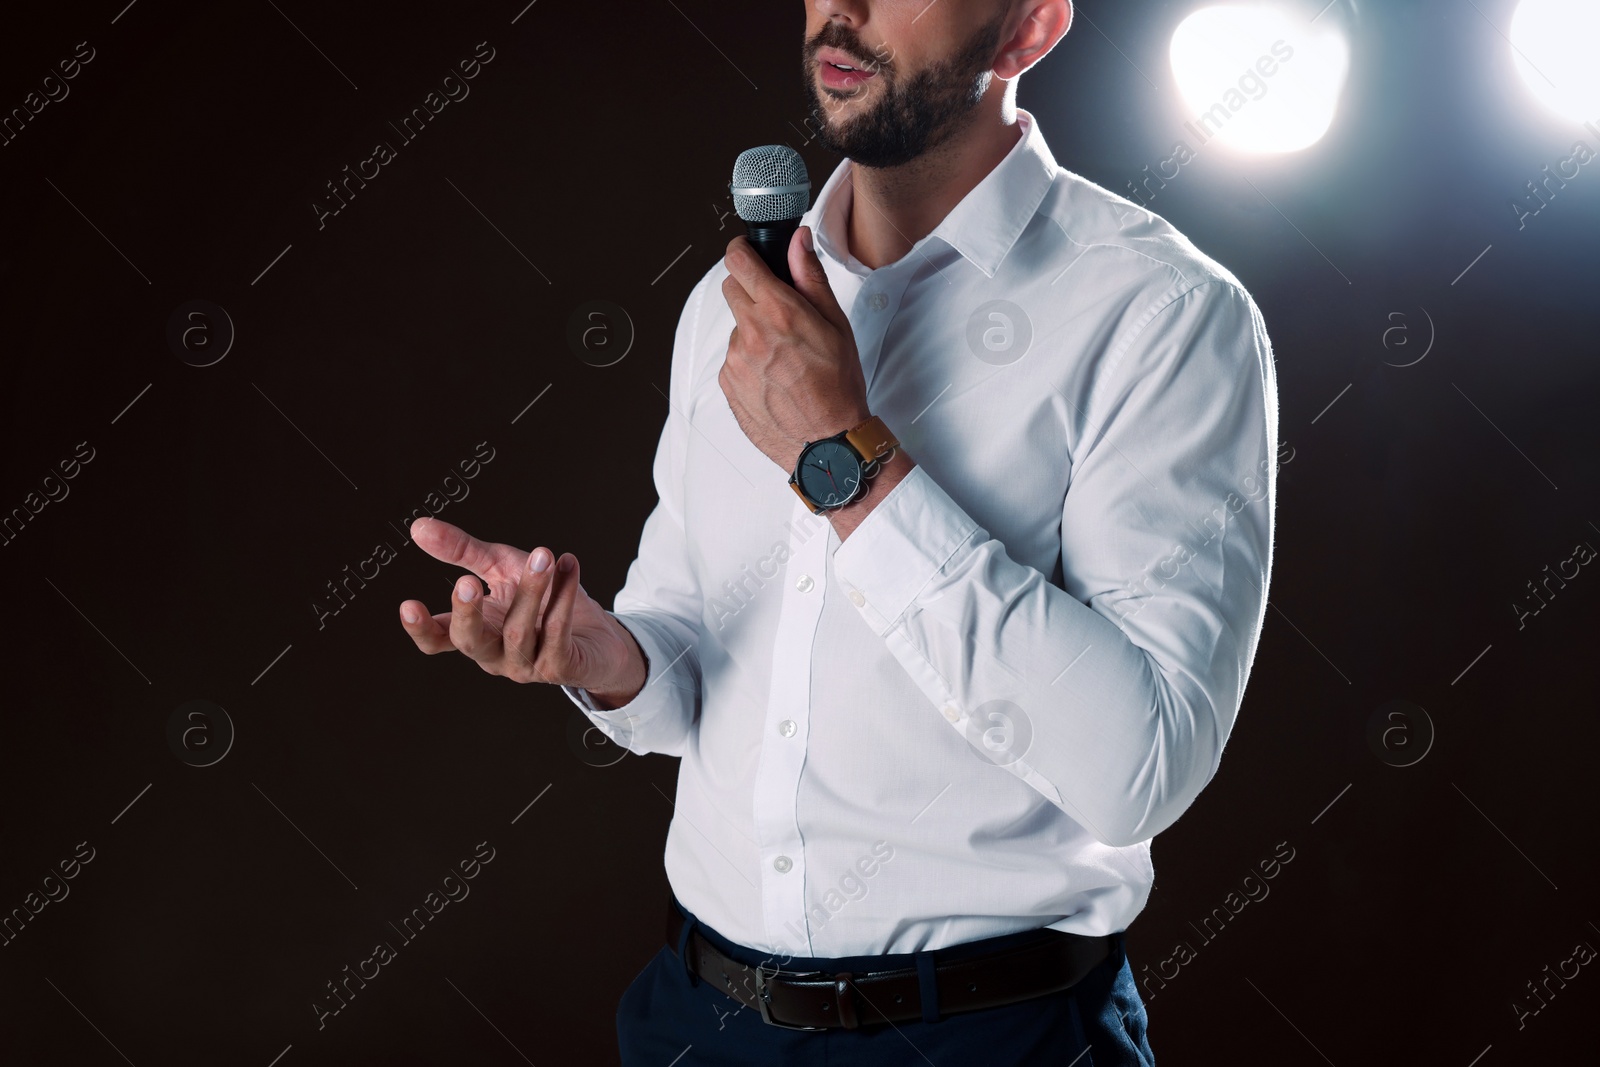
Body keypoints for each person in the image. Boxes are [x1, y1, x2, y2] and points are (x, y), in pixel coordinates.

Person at [400, 0, 1279, 1062]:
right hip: (699, 1016)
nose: (842, 11)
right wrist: (602, 654)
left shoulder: (1161, 314)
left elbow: (1141, 766)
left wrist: (848, 459)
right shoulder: (728, 309)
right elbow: (694, 657)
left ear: (1029, 30)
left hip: (990, 1037)